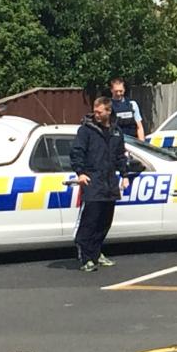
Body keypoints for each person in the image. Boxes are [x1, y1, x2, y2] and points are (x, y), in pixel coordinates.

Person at [70, 97, 132, 272]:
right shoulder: (86, 130)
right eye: (95, 112)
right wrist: (80, 172)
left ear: (108, 111)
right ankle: (86, 257)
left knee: (105, 221)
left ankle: (97, 253)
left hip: (109, 182)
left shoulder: (116, 131)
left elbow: (120, 155)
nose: (96, 115)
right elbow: (77, 152)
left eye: (100, 112)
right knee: (90, 221)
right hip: (93, 181)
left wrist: (125, 175)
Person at [109, 77, 145, 141]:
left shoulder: (132, 104)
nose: (118, 93)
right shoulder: (108, 105)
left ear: (124, 89)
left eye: (121, 91)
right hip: (116, 143)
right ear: (111, 90)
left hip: (132, 143)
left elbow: (139, 127)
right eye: (116, 91)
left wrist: (142, 144)